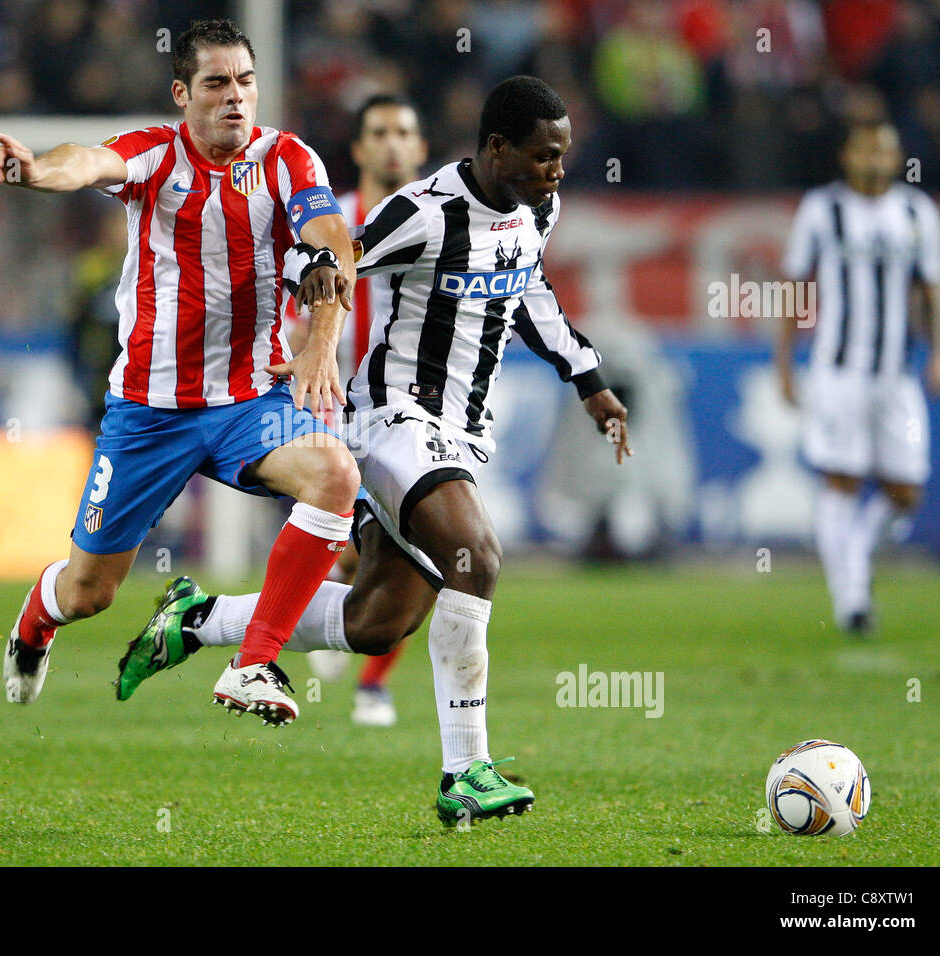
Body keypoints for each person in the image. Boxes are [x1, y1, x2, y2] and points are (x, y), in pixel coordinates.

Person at [118, 76, 632, 824]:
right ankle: (468, 771)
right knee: (477, 557)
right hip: (396, 417)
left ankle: (198, 620)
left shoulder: (535, 207)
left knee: (377, 621)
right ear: (497, 149)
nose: (557, 170)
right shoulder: (426, 213)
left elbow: (529, 291)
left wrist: (586, 378)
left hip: (464, 432)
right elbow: (325, 258)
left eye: (562, 156)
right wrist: (316, 303)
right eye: (543, 156)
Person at [0, 18, 360, 726]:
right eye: (217, 83)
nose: (235, 98)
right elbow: (87, 160)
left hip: (248, 402)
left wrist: (321, 343)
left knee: (336, 475)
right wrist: (39, 172)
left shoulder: (288, 161)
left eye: (245, 82)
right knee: (90, 592)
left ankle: (253, 661)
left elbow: (332, 243)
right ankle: (37, 620)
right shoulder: (156, 154)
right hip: (148, 413)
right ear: (183, 93)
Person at [777, 119, 940, 637]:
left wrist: (939, 353)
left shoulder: (918, 212)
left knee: (906, 491)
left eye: (885, 151)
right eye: (866, 149)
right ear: (848, 156)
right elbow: (794, 287)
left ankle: (855, 553)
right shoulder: (821, 209)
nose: (875, 159)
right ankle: (851, 597)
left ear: (897, 160)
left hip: (897, 374)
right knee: (843, 479)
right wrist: (783, 365)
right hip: (838, 371)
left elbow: (932, 289)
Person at [294, 93, 428, 727]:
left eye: (404, 131)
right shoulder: (333, 224)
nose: (393, 143)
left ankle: (373, 683)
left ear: (421, 147)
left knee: (421, 543)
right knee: (359, 533)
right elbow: (300, 308)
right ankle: (329, 604)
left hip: (415, 409)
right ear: (358, 149)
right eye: (379, 131)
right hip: (336, 401)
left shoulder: (441, 219)